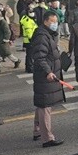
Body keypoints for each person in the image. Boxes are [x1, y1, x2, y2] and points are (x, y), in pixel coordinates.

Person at [31, 11, 64, 148]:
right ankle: (47, 138)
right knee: (45, 106)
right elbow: (39, 57)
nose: (55, 24)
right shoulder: (41, 36)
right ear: (45, 21)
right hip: (45, 77)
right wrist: (48, 72)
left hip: (47, 74)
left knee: (42, 105)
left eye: (56, 21)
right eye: (52, 21)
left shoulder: (48, 34)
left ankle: (37, 131)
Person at [20, 8, 38, 73]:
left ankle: (28, 67)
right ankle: (30, 68)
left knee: (29, 55)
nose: (32, 13)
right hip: (30, 40)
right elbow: (29, 31)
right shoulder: (28, 21)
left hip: (28, 40)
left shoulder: (29, 19)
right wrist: (32, 39)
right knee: (30, 55)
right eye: (30, 12)